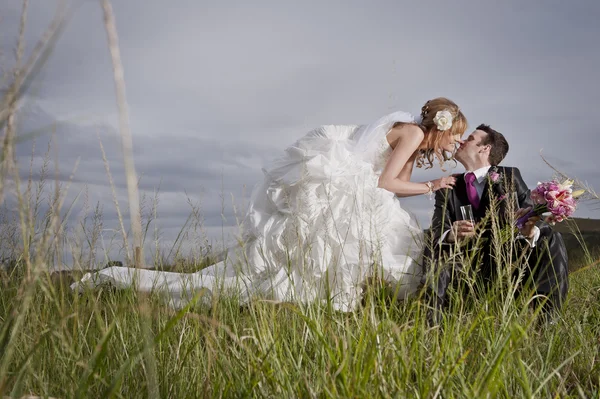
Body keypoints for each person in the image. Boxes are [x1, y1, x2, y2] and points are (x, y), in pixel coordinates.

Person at [72, 98, 467, 312]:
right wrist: (434, 184)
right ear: (441, 126)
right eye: (456, 136)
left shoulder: (413, 134)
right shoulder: (414, 132)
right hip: (355, 190)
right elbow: (386, 182)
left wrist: (427, 182)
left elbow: (394, 185)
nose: (455, 144)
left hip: (361, 189)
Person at [422, 124, 569, 323]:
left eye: (470, 138)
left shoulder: (510, 176)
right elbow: (438, 228)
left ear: (485, 148)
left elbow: (536, 219)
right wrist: (450, 234)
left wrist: (528, 231)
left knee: (551, 237)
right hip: (465, 264)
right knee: (434, 243)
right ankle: (432, 324)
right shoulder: (447, 186)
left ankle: (548, 323)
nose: (461, 140)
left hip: (507, 260)